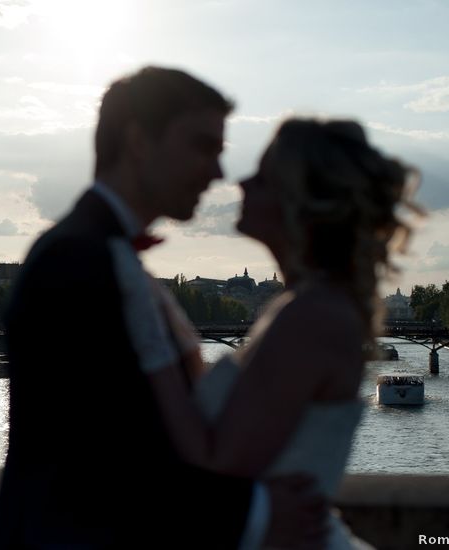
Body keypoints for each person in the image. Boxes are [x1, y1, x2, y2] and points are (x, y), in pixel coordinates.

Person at [0, 67, 327, 549]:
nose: (217, 172)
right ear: (140, 141)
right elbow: (101, 460)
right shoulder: (78, 260)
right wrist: (252, 513)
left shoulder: (92, 252)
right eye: (203, 146)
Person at [148, 117, 422, 549]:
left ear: (298, 200)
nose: (242, 183)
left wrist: (156, 345)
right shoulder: (308, 306)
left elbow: (216, 465)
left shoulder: (309, 316)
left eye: (262, 177)